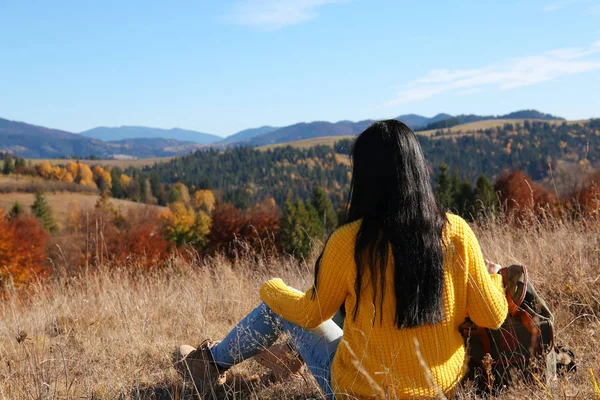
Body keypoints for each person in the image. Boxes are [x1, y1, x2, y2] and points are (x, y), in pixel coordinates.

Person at [173, 120, 508, 399]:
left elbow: (309, 312)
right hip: (439, 389)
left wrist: (271, 288)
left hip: (362, 392)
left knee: (281, 307)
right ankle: (286, 357)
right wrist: (493, 278)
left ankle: (209, 364)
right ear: (418, 170)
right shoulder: (456, 233)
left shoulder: (350, 242)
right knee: (347, 303)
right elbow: (492, 316)